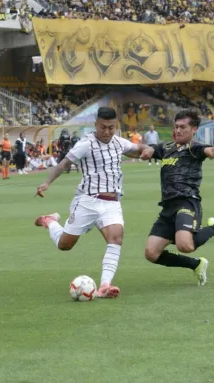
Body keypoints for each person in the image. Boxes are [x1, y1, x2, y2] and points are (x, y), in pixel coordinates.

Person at [34, 107, 154, 298]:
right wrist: (47, 182)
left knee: (116, 238)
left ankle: (105, 286)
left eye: (111, 128)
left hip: (112, 202)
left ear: (116, 126)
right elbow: (64, 163)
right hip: (87, 201)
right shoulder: (85, 144)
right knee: (65, 245)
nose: (107, 132)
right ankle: (49, 221)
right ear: (96, 125)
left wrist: (148, 149)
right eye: (103, 127)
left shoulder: (118, 142)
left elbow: (139, 148)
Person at [141, 109, 214, 286]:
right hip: (168, 208)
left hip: (187, 202)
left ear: (194, 129)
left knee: (185, 246)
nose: (178, 130)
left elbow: (212, 151)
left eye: (183, 127)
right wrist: (148, 149)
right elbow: (147, 149)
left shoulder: (194, 147)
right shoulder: (166, 148)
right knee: (151, 254)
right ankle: (196, 264)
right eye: (176, 127)